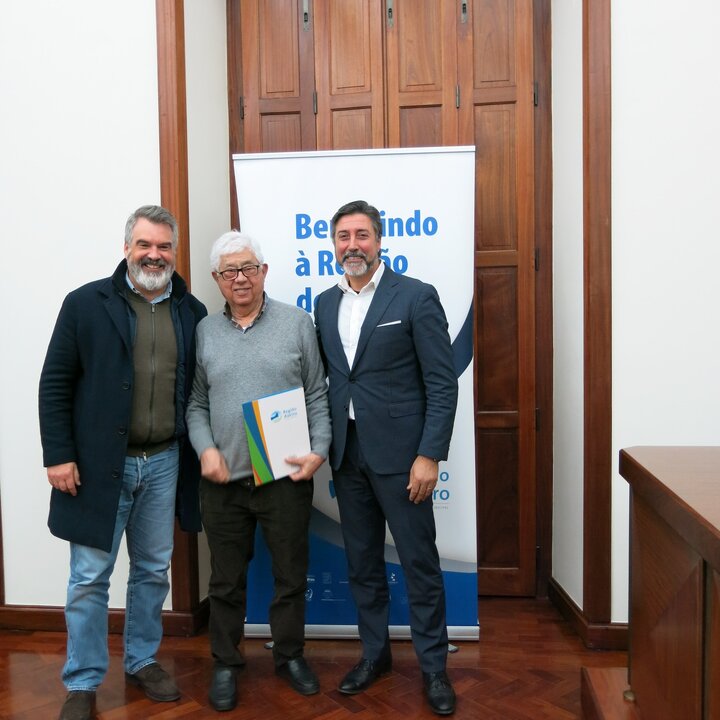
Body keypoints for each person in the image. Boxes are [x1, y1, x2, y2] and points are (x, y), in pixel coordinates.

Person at [38, 205, 207, 720]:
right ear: (127, 248)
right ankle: (83, 681)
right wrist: (59, 455)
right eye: (144, 245)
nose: (154, 255)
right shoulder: (85, 303)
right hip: (97, 467)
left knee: (153, 570)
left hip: (165, 462)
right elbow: (55, 382)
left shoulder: (191, 311)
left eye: (164, 247)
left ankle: (141, 660)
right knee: (89, 577)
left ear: (174, 252)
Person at [314, 200, 459, 716]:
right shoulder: (324, 304)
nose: (352, 245)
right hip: (348, 455)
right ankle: (374, 655)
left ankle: (434, 668)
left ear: (379, 241)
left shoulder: (416, 296)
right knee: (362, 564)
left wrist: (429, 455)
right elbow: (333, 379)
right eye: (343, 236)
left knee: (419, 564)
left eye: (362, 235)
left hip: (403, 459)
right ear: (333, 245)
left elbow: (442, 382)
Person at [186, 230, 331, 712]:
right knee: (225, 582)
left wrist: (319, 449)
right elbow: (197, 402)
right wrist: (206, 449)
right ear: (217, 279)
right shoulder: (205, 331)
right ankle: (226, 663)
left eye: (248, 267)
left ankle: (290, 656)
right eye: (229, 271)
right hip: (223, 481)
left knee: (291, 576)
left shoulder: (297, 323)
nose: (240, 278)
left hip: (284, 479)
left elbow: (317, 393)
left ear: (264, 271)